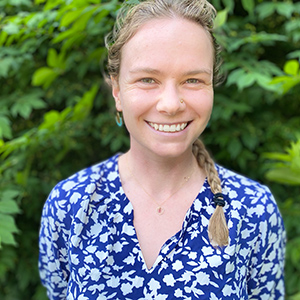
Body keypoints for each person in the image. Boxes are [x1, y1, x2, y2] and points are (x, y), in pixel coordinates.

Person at [39, 0, 286, 299]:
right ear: (117, 91)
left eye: (192, 80)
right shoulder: (69, 204)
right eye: (147, 80)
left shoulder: (255, 211)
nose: (170, 104)